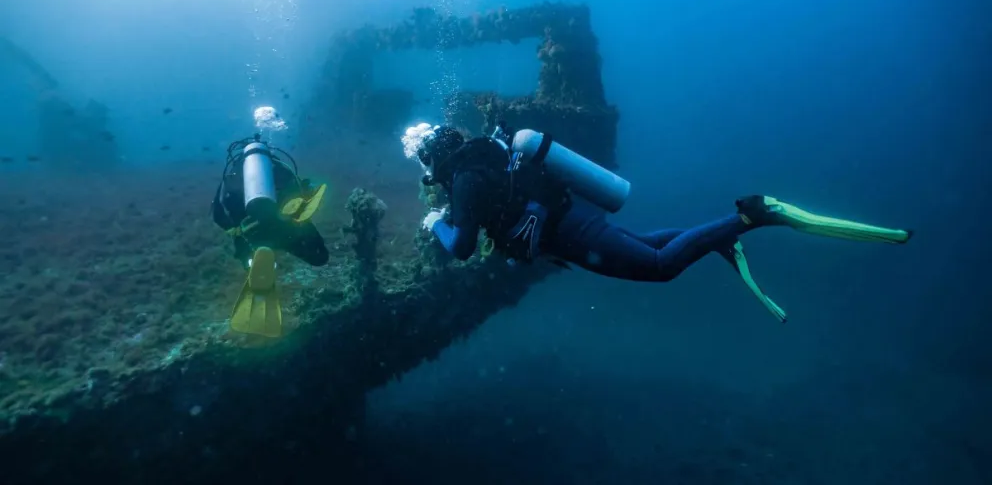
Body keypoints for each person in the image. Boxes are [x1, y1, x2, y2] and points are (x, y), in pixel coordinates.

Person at [402, 122, 913, 322]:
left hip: (570, 232)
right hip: (574, 220)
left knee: (660, 266)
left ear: (432, 160)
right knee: (645, 244)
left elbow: (463, 246)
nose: (427, 176)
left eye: (425, 167)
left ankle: (753, 217)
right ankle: (720, 239)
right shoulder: (484, 155)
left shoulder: (464, 182)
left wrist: (435, 226)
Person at [211, 134, 329, 336]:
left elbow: (218, 213)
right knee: (320, 257)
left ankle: (254, 261)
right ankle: (271, 248)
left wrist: (237, 229)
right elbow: (298, 192)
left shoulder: (232, 173)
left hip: (251, 233)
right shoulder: (279, 167)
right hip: (286, 229)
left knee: (251, 255)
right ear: (268, 151)